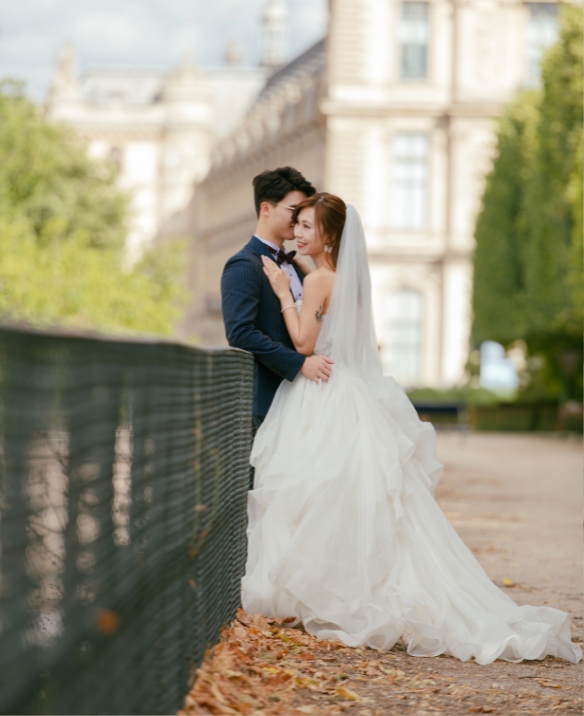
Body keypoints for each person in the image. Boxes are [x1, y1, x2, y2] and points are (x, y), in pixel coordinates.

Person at [241, 193, 581, 665]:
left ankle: (321, 595)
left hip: (323, 392)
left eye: (307, 226)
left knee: (320, 493)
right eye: (295, 224)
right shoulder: (345, 279)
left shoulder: (316, 279)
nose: (297, 233)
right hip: (351, 390)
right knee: (354, 498)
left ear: (330, 235)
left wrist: (281, 290)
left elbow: (303, 342)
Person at [220, 167, 332, 487]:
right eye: (293, 213)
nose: (298, 223)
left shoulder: (298, 264)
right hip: (268, 403)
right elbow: (239, 332)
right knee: (267, 497)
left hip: (304, 402)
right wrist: (300, 364)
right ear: (266, 208)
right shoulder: (244, 264)